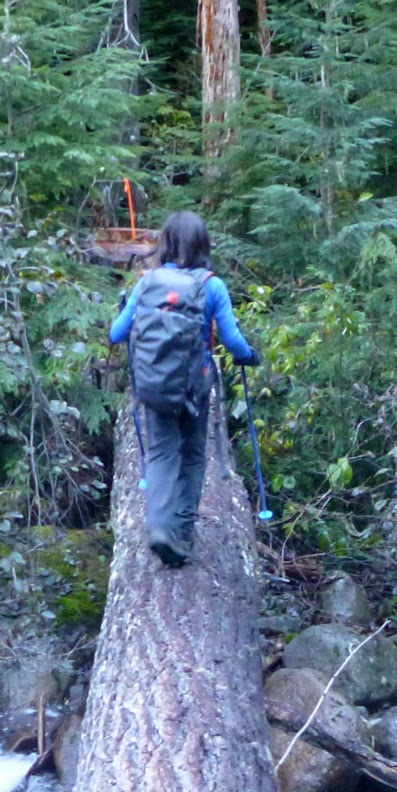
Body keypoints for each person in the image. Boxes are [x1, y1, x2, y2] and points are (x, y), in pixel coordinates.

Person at [108, 211, 260, 567]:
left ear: (167, 242)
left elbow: (117, 333)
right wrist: (250, 357)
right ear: (203, 244)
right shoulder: (213, 285)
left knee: (162, 454)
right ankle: (181, 531)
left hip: (153, 387)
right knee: (192, 455)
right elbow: (233, 342)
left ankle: (158, 527)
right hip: (194, 386)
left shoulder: (147, 282)